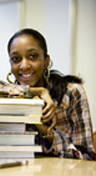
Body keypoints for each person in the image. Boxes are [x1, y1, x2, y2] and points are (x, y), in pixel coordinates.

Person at [7, 28, 96, 160]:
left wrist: (44, 129)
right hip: (18, 175)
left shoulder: (72, 93)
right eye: (16, 59)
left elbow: (86, 156)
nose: (24, 66)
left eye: (33, 56)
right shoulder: (7, 96)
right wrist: (37, 92)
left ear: (46, 61)